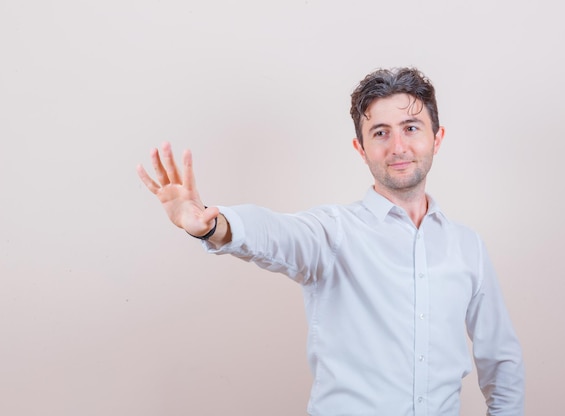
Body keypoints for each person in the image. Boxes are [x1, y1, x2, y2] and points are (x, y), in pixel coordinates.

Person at [136, 67, 525, 416]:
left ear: (436, 138)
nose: (398, 147)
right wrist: (212, 224)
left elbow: (501, 360)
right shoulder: (333, 232)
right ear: (361, 148)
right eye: (380, 133)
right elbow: (276, 235)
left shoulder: (467, 247)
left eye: (411, 127)